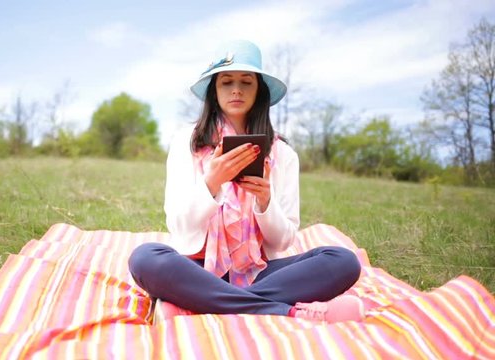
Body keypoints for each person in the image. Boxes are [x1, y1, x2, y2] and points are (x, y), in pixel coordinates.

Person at [128, 40, 364, 322]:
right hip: (196, 267)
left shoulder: (283, 155)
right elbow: (178, 225)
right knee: (145, 258)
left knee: (344, 261)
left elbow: (284, 239)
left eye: (246, 82)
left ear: (259, 91)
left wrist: (265, 202)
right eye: (226, 82)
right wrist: (211, 183)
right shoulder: (186, 143)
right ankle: (288, 311)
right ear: (214, 91)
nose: (236, 89)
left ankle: (192, 304)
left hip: (259, 270)